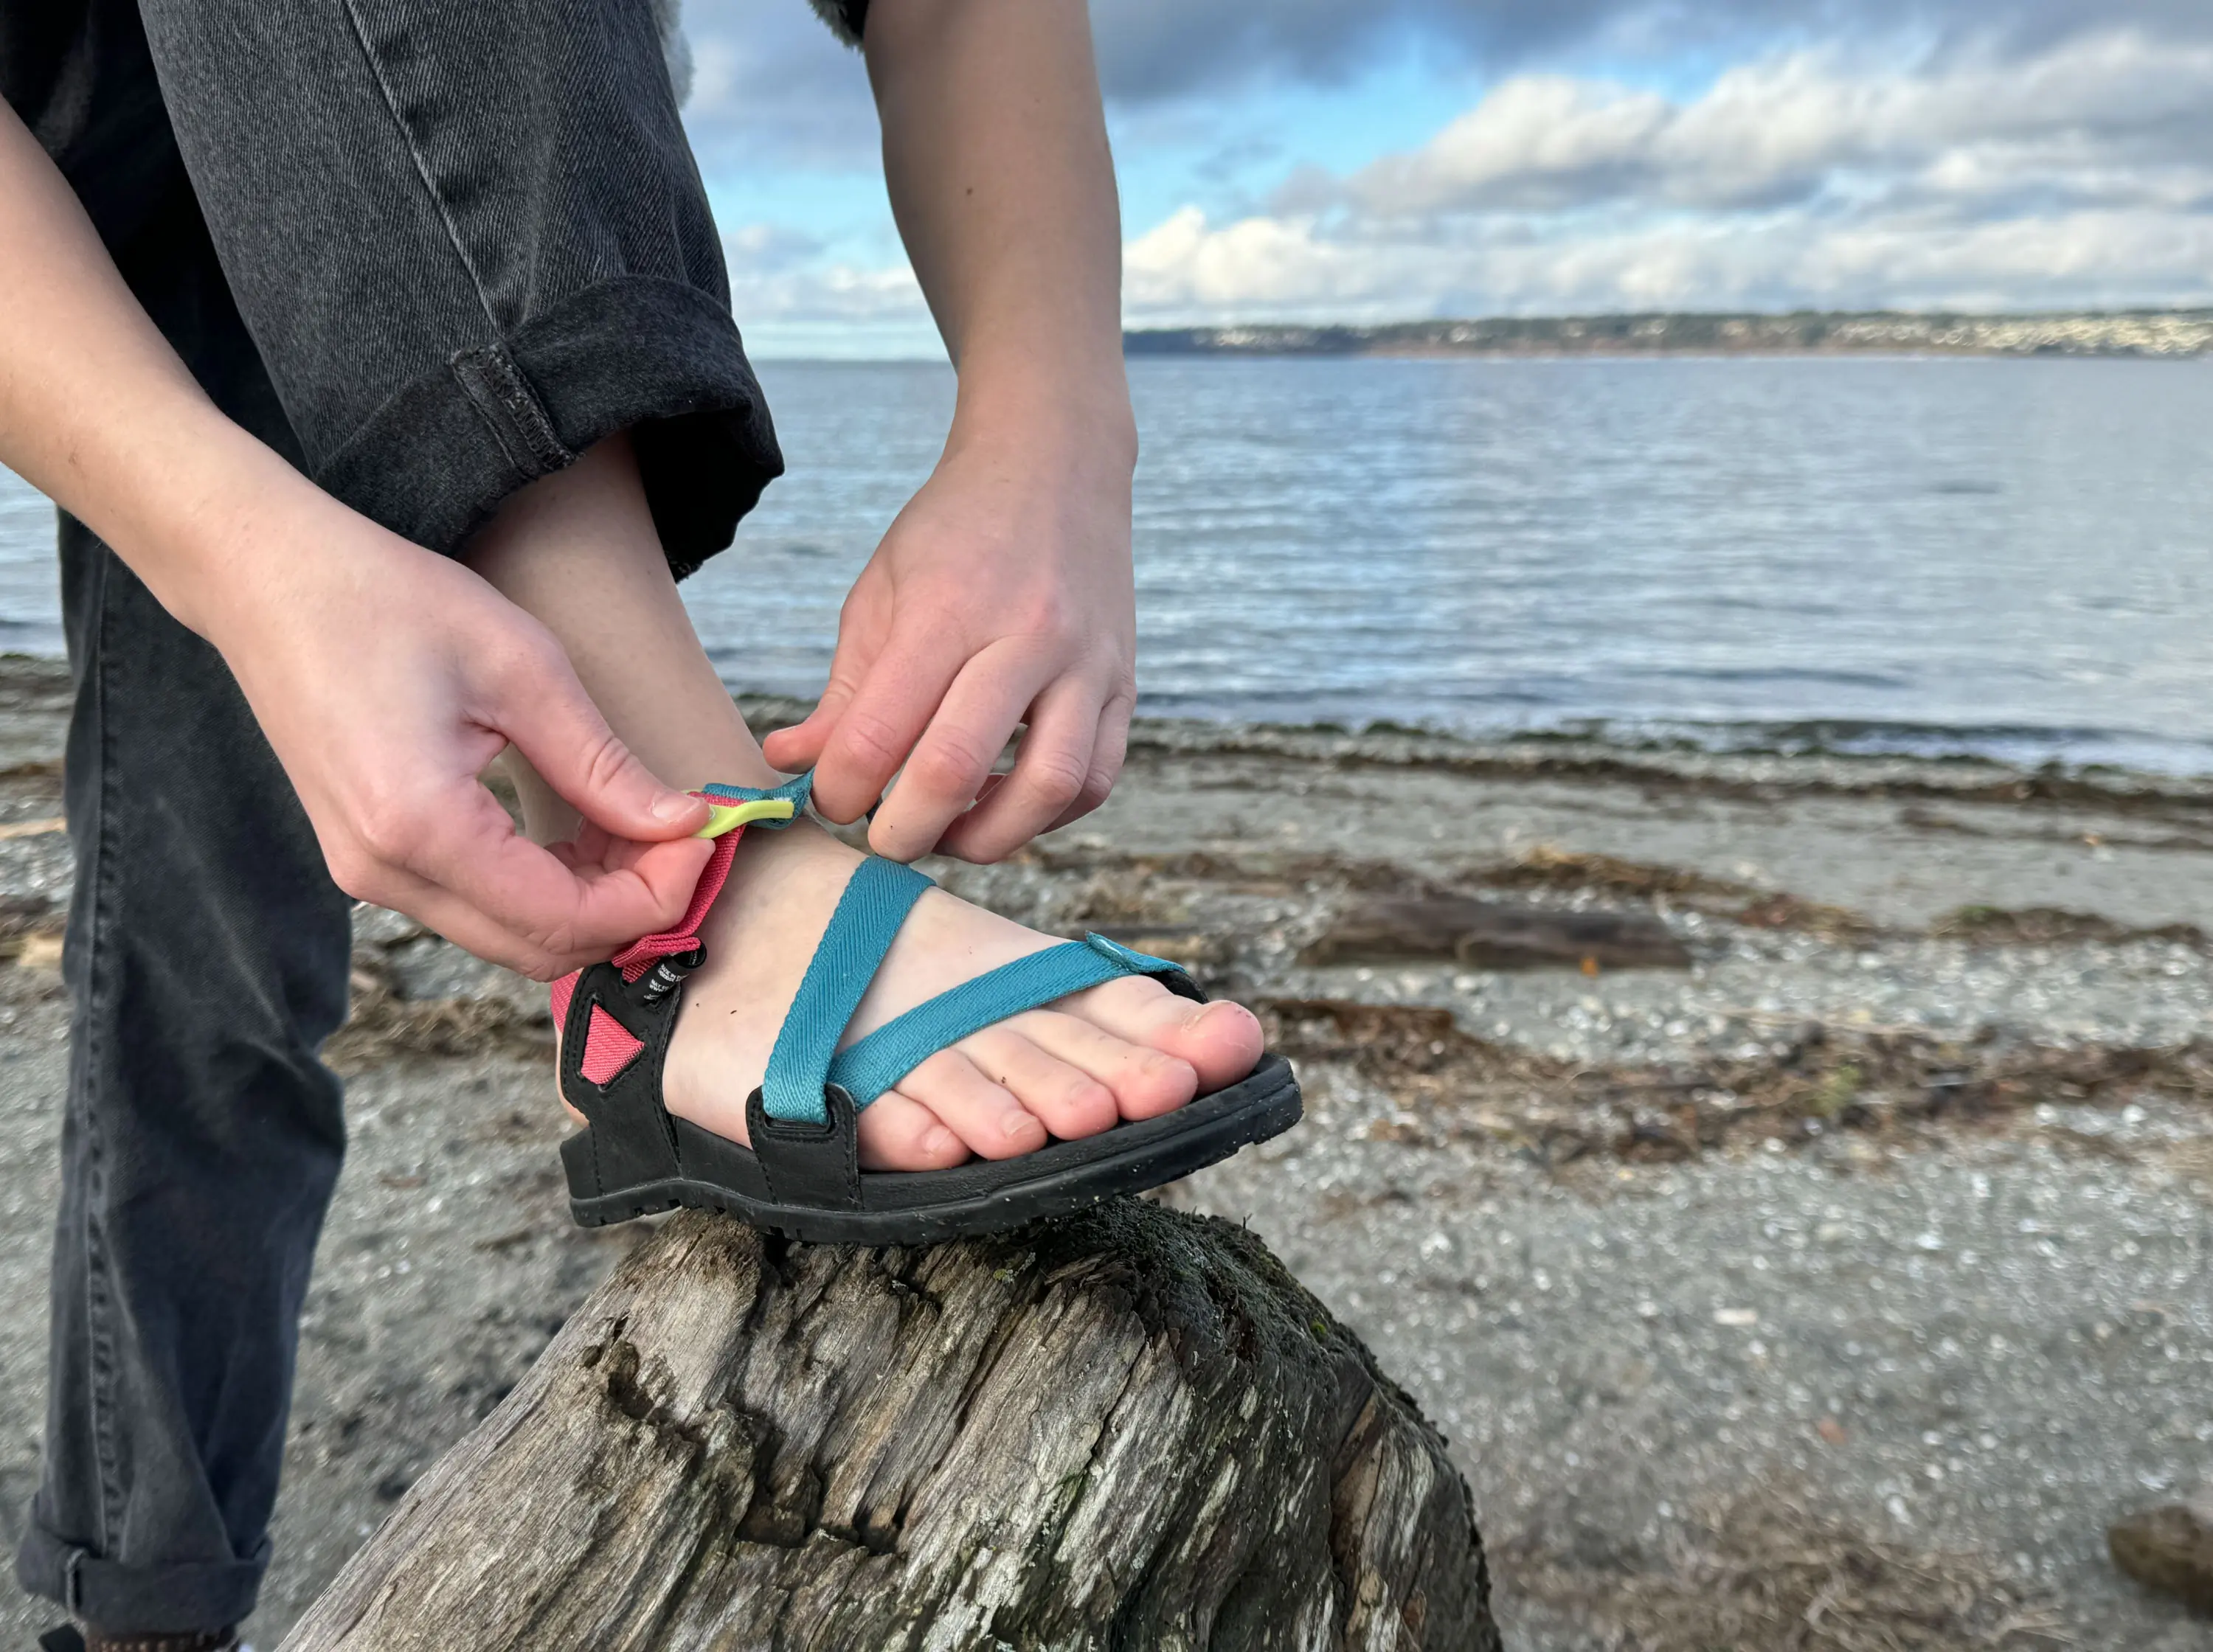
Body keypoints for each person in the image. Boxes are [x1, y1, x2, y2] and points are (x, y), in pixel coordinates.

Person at [0, 1, 1294, 1645]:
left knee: (211, 977)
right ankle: (699, 876)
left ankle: (143, 1609)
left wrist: (1053, 433)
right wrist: (234, 551)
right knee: (207, 970)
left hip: (365, 162)